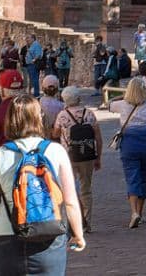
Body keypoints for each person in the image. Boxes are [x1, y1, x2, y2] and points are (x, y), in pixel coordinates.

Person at [0, 95, 86, 275]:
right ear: (39, 118)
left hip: (6, 236)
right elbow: (71, 201)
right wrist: (78, 234)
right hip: (49, 231)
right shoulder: (57, 151)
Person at [111, 76, 146, 228]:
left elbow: (109, 104)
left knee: (132, 177)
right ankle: (140, 212)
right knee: (144, 176)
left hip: (129, 143)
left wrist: (124, 96)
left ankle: (134, 212)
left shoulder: (122, 105)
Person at [53, 85, 103, 234]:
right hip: (87, 155)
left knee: (69, 188)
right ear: (79, 98)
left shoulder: (62, 115)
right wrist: (98, 157)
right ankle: (87, 221)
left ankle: (74, 221)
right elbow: (98, 137)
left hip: (69, 156)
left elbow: (55, 134)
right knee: (86, 189)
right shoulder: (89, 114)